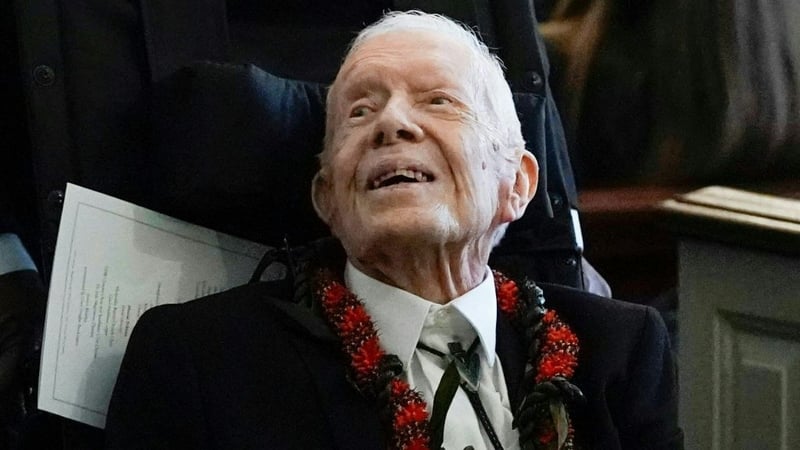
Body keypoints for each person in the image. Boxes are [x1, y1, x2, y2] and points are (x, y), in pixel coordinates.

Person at [106, 11, 682, 450]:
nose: (393, 124)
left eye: (438, 101)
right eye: (360, 111)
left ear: (518, 184)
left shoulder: (620, 351)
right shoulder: (203, 361)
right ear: (326, 196)